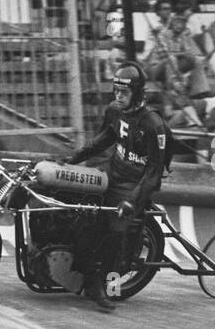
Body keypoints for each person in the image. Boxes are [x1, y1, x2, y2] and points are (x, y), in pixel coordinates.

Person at [67, 63, 167, 313]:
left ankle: (101, 285)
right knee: (78, 210)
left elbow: (154, 175)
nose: (118, 96)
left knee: (115, 229)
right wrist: (71, 160)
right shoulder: (114, 111)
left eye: (124, 92)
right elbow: (103, 140)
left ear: (138, 93)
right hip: (111, 172)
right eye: (116, 90)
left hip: (134, 184)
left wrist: (132, 201)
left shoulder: (153, 125)